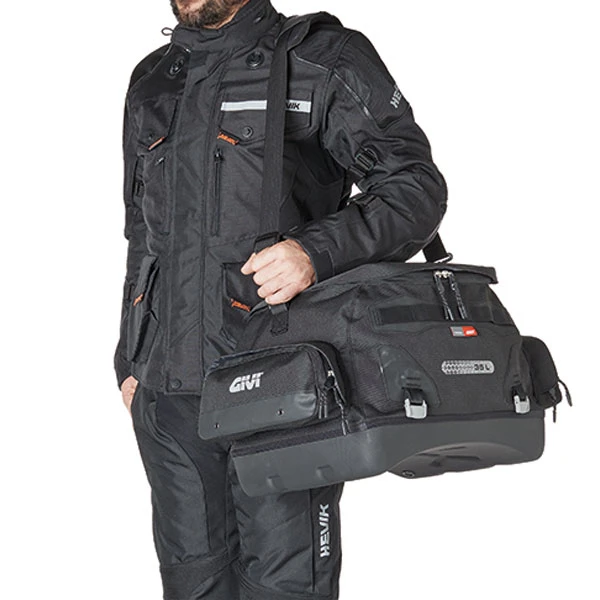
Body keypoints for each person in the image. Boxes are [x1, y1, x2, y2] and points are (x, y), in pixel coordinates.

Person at [114, 0, 447, 598]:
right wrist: (130, 358)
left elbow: (414, 189)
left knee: (286, 589)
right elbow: (142, 232)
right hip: (168, 400)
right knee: (190, 586)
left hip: (282, 387)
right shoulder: (153, 80)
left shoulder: (323, 59)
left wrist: (314, 252)